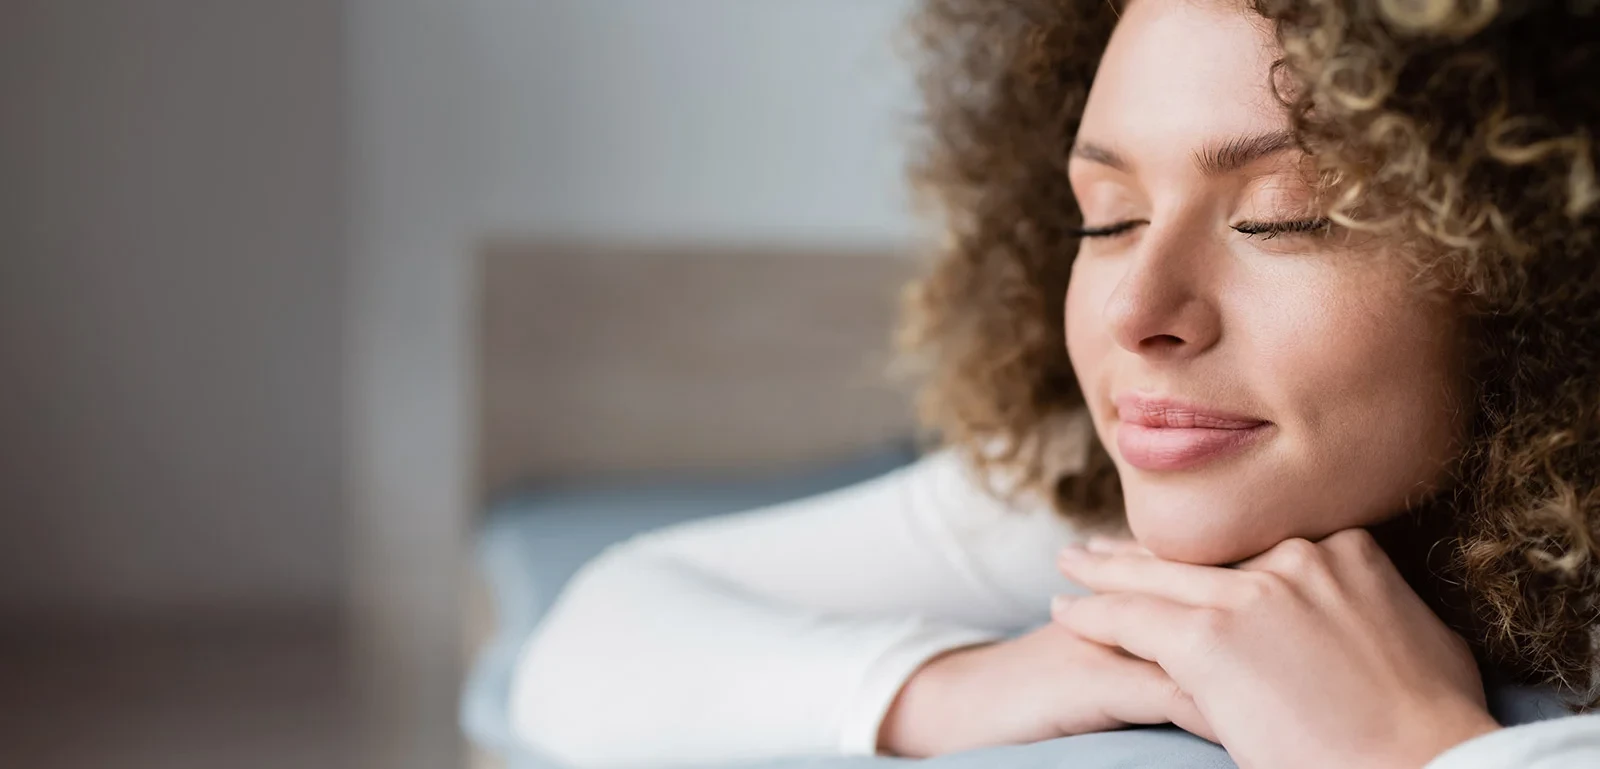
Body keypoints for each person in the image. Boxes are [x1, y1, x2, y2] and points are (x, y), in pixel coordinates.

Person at [508, 0, 1600, 767]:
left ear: (1542, 262)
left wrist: (1412, 750)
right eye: (1108, 219)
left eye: (1284, 216)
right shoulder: (1096, 490)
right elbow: (586, 644)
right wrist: (955, 687)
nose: (1133, 312)